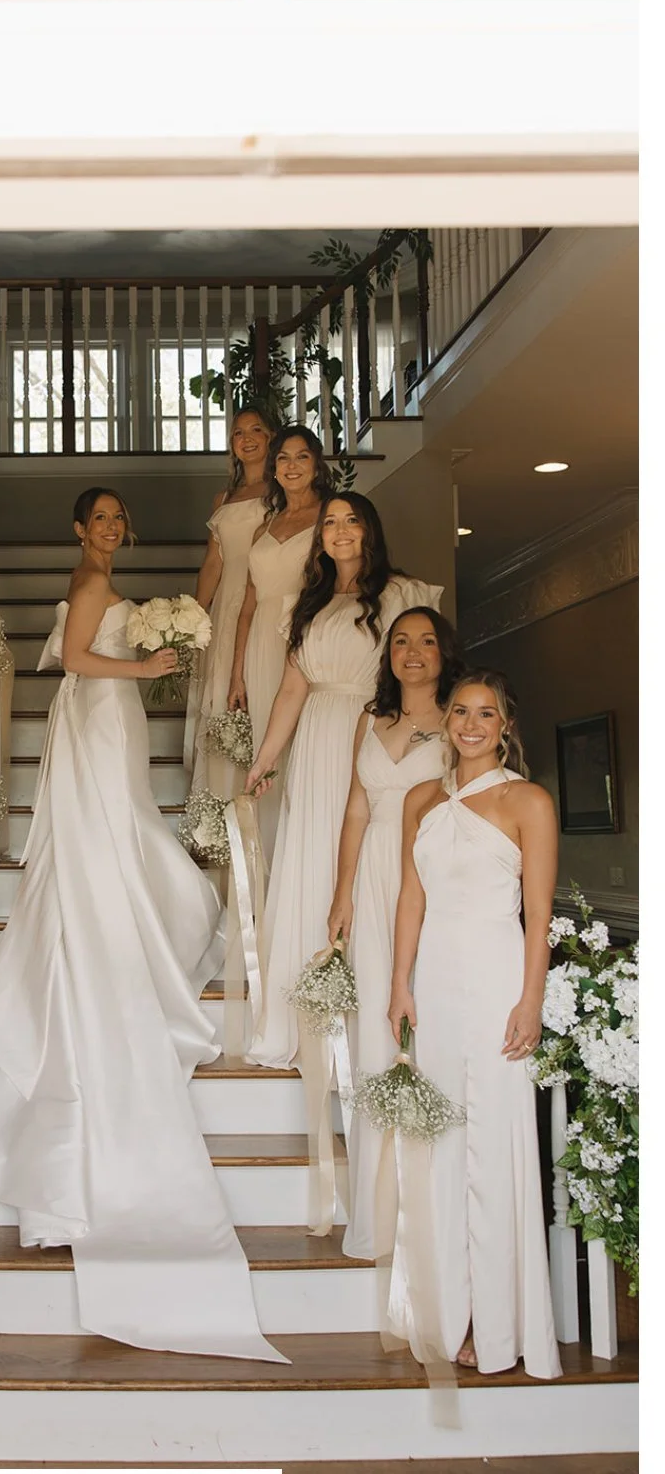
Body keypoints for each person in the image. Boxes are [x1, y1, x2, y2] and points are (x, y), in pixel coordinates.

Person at [0, 488, 288, 1365]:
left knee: (125, 826)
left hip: (109, 722)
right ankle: (108, 934)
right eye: (95, 517)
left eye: (114, 520)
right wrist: (150, 662)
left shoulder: (100, 574)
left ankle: (125, 922)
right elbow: (81, 666)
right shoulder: (87, 579)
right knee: (110, 832)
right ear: (78, 526)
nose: (106, 529)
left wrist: (152, 663)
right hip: (97, 714)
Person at [388, 671, 561, 1379]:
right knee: (441, 1143)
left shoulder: (527, 799)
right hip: (434, 981)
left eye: (484, 713)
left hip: (495, 981)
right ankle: (447, 1309)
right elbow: (409, 898)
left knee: (492, 1144)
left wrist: (529, 999)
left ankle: (498, 1321)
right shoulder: (418, 799)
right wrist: (399, 982)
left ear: (504, 725)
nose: (469, 723)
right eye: (458, 710)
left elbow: (537, 914)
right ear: (445, 722)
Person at [244, 492, 441, 1070]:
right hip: (318, 740)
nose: (339, 530)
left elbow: (426, 667)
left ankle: (383, 1004)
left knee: (374, 863)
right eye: (329, 523)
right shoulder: (307, 604)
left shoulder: (401, 593)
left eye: (351, 520)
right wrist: (265, 759)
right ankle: (317, 1015)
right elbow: (290, 691)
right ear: (319, 538)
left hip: (377, 732)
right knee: (317, 858)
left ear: (369, 530)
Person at [326, 607, 463, 1259]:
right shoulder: (369, 719)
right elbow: (355, 807)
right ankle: (379, 1205)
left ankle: (430, 1197)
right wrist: (340, 893)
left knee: (422, 1017)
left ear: (444, 653)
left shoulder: (459, 722)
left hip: (429, 876)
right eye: (401, 641)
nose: (413, 652)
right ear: (389, 654)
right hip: (372, 879)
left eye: (426, 641)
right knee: (374, 1030)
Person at [227, 424, 331, 855]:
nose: (291, 466)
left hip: (307, 640)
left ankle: (304, 855)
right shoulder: (263, 528)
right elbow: (248, 606)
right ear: (274, 467)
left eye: (301, 456)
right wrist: (236, 674)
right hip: (260, 649)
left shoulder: (331, 517)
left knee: (304, 748)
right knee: (266, 751)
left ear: (316, 464)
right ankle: (268, 861)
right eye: (283, 458)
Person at [184, 407, 279, 800]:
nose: (248, 438)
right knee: (224, 691)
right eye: (239, 432)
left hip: (266, 596)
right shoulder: (223, 497)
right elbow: (212, 563)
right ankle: (223, 799)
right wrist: (191, 616)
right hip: (227, 604)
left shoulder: (283, 490)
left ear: (272, 437)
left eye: (257, 429)